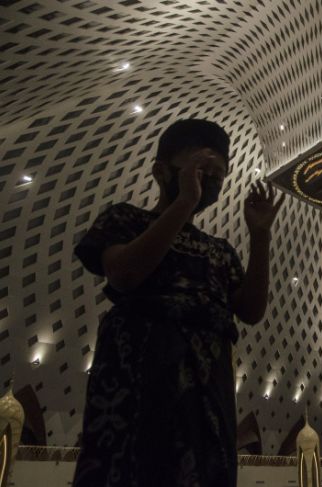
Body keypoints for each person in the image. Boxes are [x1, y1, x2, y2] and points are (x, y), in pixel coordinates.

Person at [71, 118, 284, 486]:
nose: (211, 181)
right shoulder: (125, 219)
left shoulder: (218, 251)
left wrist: (260, 236)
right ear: (161, 171)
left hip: (207, 388)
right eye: (201, 169)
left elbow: (251, 311)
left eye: (219, 173)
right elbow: (124, 274)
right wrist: (184, 202)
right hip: (139, 377)